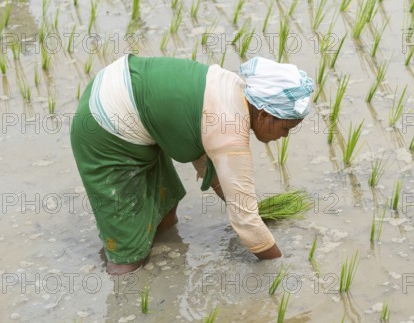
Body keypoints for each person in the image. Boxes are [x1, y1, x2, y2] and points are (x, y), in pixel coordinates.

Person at [70, 54, 314, 275]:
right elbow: (245, 221)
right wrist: (279, 265)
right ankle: (125, 295)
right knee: (129, 255)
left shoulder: (233, 88)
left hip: (123, 96)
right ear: (262, 115)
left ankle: (163, 281)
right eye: (285, 128)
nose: (285, 136)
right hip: (103, 127)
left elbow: (213, 166)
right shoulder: (229, 129)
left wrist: (243, 205)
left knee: (166, 212)